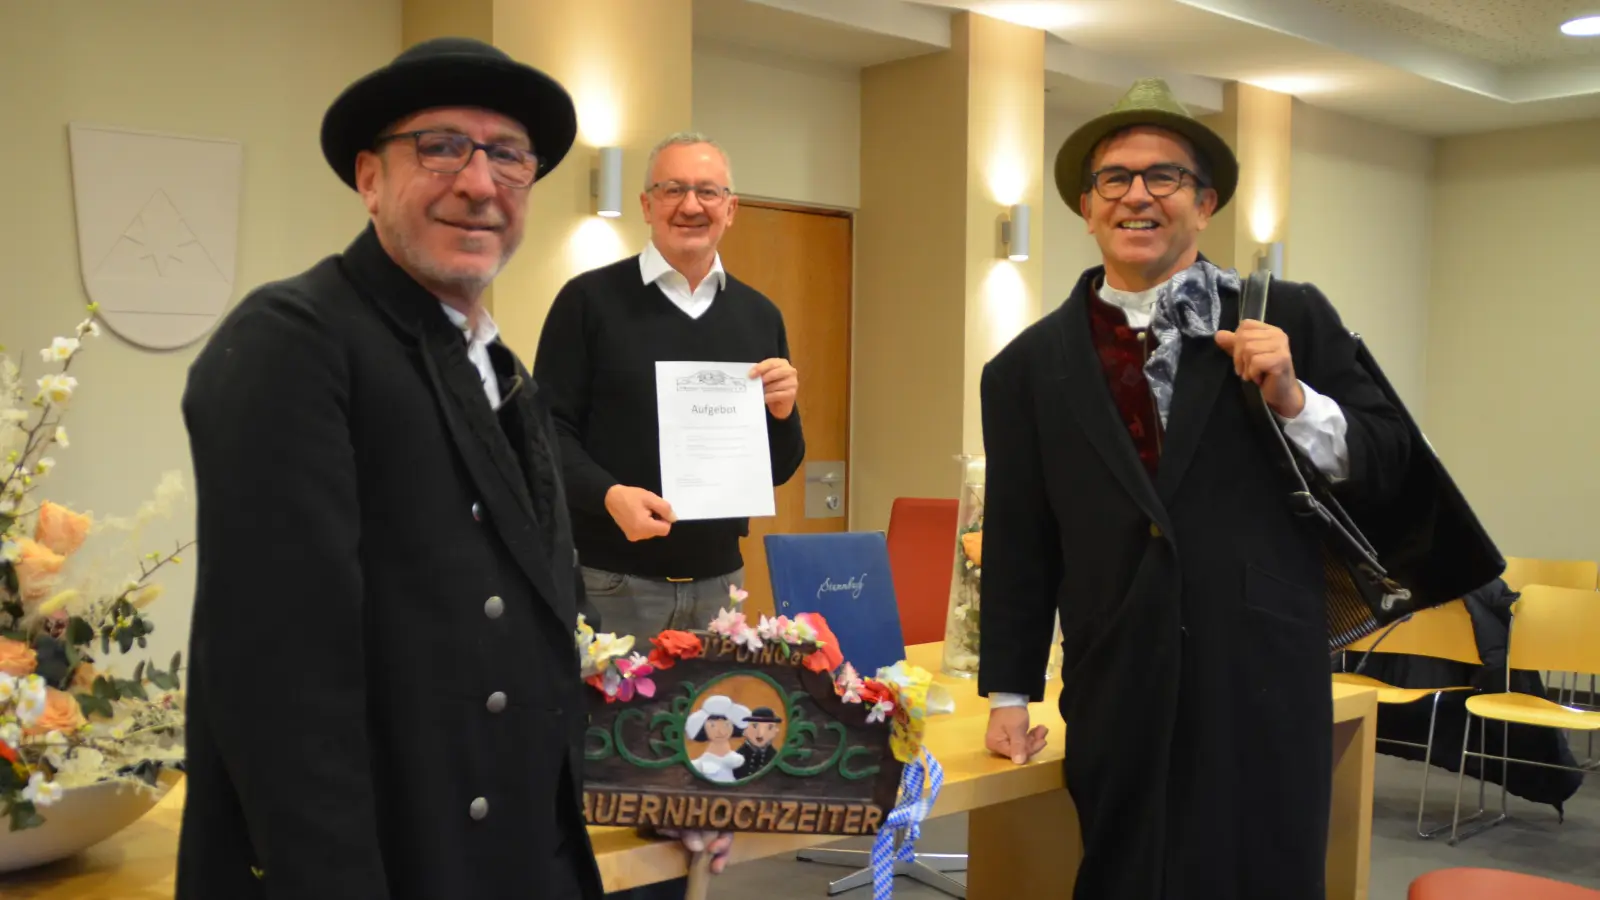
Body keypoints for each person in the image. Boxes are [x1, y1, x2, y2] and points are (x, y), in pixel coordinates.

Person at [177, 37, 610, 900]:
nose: (480, 184)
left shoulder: (500, 366)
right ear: (369, 179)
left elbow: (534, 639)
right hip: (394, 860)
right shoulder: (296, 340)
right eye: (442, 146)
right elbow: (281, 692)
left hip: (519, 853)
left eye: (509, 157)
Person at [976, 78, 1411, 900]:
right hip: (1117, 674)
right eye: (1116, 179)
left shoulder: (1291, 317)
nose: (1138, 196)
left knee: (1262, 876)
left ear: (1204, 203)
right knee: (1126, 874)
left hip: (1262, 670)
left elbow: (1386, 459)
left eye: (1164, 177)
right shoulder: (1026, 370)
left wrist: (1295, 399)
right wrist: (1009, 691)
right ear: (1087, 204)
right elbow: (1021, 539)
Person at [532, 132, 804, 647]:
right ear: (646, 205)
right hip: (611, 585)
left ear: (731, 209)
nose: (691, 205)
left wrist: (783, 413)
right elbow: (545, 432)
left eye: (708, 191)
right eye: (673, 189)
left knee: (712, 729)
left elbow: (782, 466)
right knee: (611, 731)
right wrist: (609, 496)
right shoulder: (588, 302)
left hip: (722, 586)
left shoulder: (759, 315)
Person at [685, 696, 750, 783]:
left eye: (726, 725)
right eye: (713, 726)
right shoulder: (699, 765)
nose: (721, 732)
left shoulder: (739, 760)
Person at [732, 706, 783, 779]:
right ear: (745, 730)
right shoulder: (736, 758)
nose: (760, 734)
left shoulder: (776, 757)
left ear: (775, 731)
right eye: (755, 726)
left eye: (769, 728)